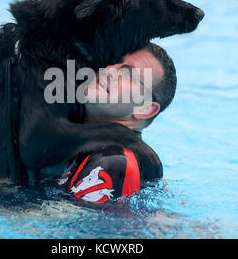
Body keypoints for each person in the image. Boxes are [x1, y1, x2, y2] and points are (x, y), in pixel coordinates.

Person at [57, 42, 177, 203]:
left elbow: (58, 224)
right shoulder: (68, 131)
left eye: (127, 73)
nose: (109, 70)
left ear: (144, 108)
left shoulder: (113, 162)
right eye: (112, 59)